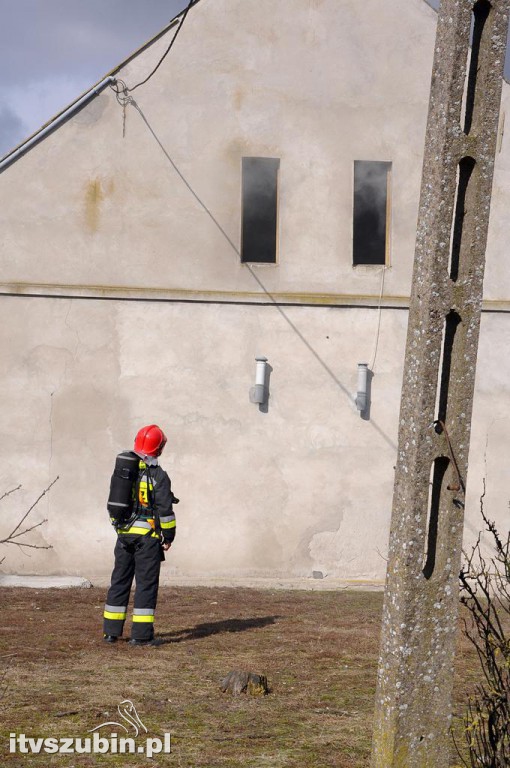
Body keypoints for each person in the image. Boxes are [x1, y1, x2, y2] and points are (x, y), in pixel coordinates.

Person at [103, 424, 177, 646]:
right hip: (147, 538)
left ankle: (110, 632)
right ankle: (141, 636)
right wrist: (169, 536)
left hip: (124, 535)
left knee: (119, 581)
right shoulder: (158, 475)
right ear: (159, 448)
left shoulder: (124, 468)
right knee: (145, 584)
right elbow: (165, 510)